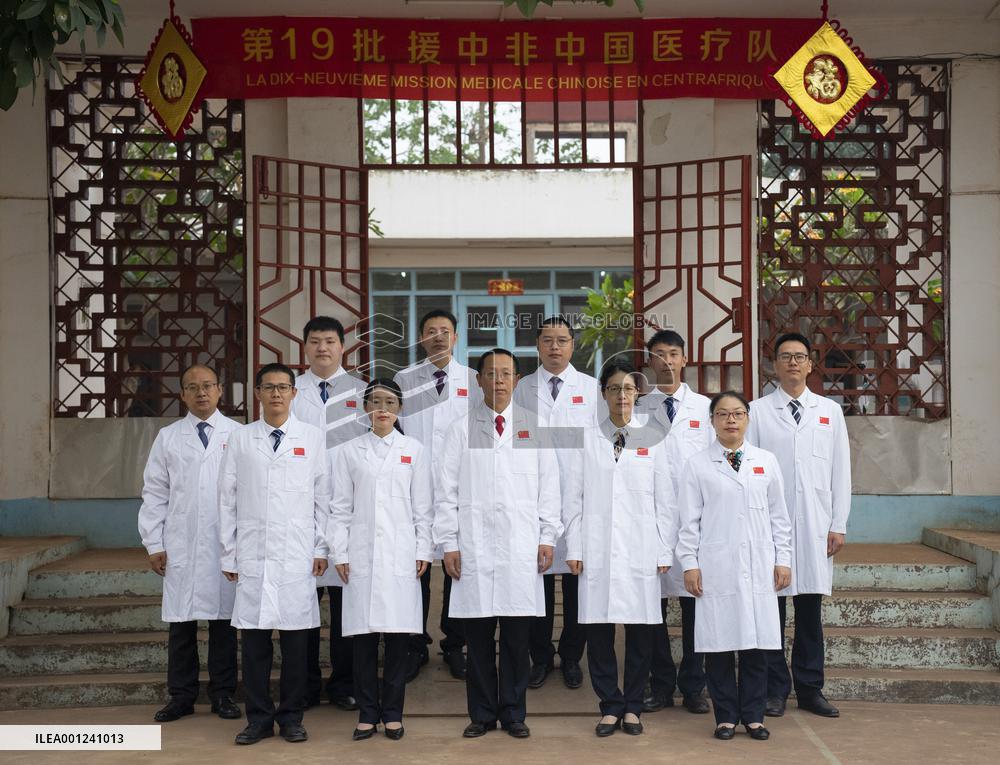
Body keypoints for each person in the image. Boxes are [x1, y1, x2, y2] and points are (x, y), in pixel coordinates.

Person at [434, 348, 561, 739]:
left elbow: (549, 487)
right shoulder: (460, 428)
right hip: (473, 548)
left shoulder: (533, 427)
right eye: (491, 373)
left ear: (517, 380)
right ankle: (482, 714)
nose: (499, 381)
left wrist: (547, 536)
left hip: (520, 548)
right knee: (478, 639)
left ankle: (514, 712)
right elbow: (445, 491)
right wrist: (449, 543)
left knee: (516, 640)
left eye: (506, 374)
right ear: (479, 380)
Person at [219, 363, 330, 745]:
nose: (277, 394)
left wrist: (321, 547)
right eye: (269, 387)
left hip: (298, 555)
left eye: (284, 387)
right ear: (258, 393)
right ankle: (258, 719)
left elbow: (323, 498)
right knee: (254, 645)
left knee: (297, 645)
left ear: (294, 394)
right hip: (253, 554)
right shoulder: (241, 438)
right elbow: (226, 498)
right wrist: (229, 554)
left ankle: (292, 717)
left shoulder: (312, 438)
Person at [564, 359, 675, 737]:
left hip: (641, 548)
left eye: (628, 389)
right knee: (598, 632)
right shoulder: (587, 437)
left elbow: (666, 501)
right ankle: (609, 705)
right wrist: (574, 547)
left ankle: (632, 706)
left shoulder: (654, 437)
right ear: (603, 394)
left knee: (641, 631)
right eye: (614, 389)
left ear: (638, 393)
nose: (622, 396)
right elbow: (573, 499)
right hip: (596, 548)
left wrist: (664, 551)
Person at [746, 332, 851, 719]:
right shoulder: (756, 412)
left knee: (809, 613)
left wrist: (837, 523)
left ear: (810, 364)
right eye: (785, 356)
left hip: (815, 528)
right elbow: (751, 470)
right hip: (769, 528)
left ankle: (810, 689)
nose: (793, 362)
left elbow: (841, 472)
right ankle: (775, 690)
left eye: (800, 356)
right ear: (774, 364)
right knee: (772, 611)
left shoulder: (829, 411)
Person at [676, 391, 792, 741]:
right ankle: (725, 716)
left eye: (737, 413)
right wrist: (690, 564)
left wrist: (783, 559)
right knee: (720, 644)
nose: (730, 420)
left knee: (756, 644)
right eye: (723, 414)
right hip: (716, 566)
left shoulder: (766, 461)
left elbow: (779, 517)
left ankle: (754, 716)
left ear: (747, 419)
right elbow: (688, 522)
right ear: (711, 420)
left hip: (759, 565)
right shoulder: (697, 465)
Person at [329, 379, 433, 741]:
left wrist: (423, 550)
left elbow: (423, 508)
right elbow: (339, 508)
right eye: (376, 402)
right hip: (360, 557)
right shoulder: (349, 451)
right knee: (363, 641)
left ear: (400, 409)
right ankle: (366, 713)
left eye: (390, 402)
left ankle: (392, 713)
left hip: (401, 556)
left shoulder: (414, 450)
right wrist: (339, 552)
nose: (383, 408)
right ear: (365, 408)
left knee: (398, 643)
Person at [138, 363, 241, 723]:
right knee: (181, 625)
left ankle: (223, 694)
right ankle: (181, 696)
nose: (201, 392)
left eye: (208, 385)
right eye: (192, 387)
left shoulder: (239, 434)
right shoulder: (168, 437)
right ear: (182, 394)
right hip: (180, 543)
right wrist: (154, 543)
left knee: (223, 625)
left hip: (224, 544)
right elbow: (154, 493)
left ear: (220, 390)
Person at [393, 309, 482, 682]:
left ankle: (454, 643)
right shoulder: (403, 379)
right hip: (412, 486)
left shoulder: (475, 380)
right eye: (430, 331)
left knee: (455, 566)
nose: (438, 337)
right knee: (414, 568)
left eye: (445, 331)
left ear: (456, 338)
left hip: (458, 488)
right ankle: (415, 643)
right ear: (420, 338)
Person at [513, 316, 601, 691]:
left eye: (562, 340)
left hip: (580, 498)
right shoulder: (521, 389)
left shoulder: (592, 388)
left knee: (578, 583)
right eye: (547, 340)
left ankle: (570, 657)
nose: (554, 347)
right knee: (539, 583)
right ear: (537, 345)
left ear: (573, 345)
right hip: (533, 497)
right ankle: (540, 657)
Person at [632, 330, 713, 715]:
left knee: (696, 603)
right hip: (649, 520)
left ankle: (694, 684)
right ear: (649, 361)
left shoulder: (705, 408)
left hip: (696, 522)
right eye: (659, 354)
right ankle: (660, 684)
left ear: (685, 360)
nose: (666, 361)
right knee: (654, 609)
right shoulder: (636, 406)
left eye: (673, 354)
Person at [291, 315, 368, 712]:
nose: (323, 348)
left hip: (348, 509)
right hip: (298, 509)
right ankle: (304, 685)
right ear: (305, 347)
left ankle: (343, 684)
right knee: (304, 603)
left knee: (345, 607)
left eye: (330, 341)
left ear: (343, 347)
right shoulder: (291, 391)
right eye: (315, 341)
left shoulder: (361, 392)